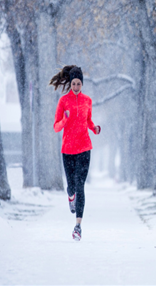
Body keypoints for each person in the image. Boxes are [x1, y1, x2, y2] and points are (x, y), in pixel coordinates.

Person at [49, 65, 101, 241]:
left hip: (85, 148)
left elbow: (88, 121)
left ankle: (78, 226)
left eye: (79, 84)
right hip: (68, 149)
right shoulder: (63, 101)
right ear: (70, 84)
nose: (76, 87)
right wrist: (65, 118)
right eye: (74, 84)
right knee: (71, 186)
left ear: (82, 84)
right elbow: (56, 127)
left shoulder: (87, 100)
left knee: (80, 185)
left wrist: (94, 128)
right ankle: (70, 196)